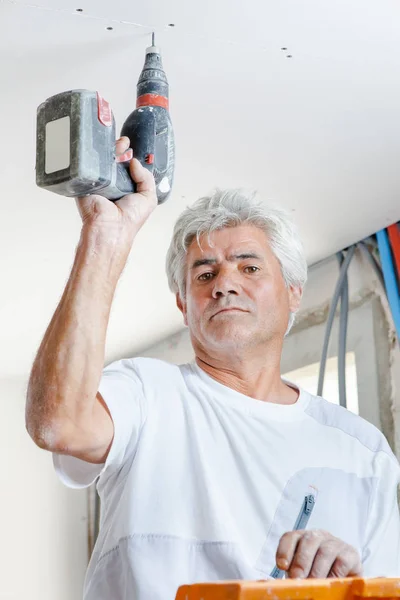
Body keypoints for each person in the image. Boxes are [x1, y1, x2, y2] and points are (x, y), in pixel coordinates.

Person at [26, 137, 400, 600]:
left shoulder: (364, 452)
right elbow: (58, 422)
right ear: (185, 306)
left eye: (249, 268)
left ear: (294, 292)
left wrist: (348, 582)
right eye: (204, 274)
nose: (224, 284)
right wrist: (105, 239)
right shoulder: (148, 395)